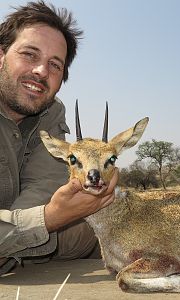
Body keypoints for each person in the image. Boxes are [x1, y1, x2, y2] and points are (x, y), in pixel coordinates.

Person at [0, 1, 118, 275]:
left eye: (55, 65)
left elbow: (41, 190)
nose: (42, 71)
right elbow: (44, 213)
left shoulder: (51, 112)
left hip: (22, 234)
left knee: (105, 221)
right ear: (2, 55)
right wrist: (49, 218)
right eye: (30, 54)